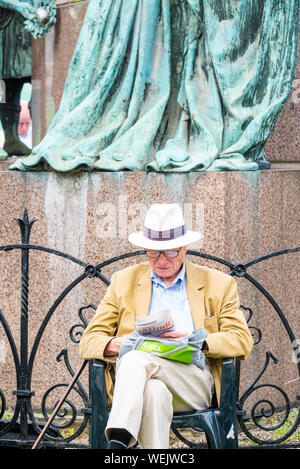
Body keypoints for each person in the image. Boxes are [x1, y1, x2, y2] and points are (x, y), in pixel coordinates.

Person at [79, 203, 253, 449]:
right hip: (139, 383)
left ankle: (117, 444)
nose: (160, 261)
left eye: (170, 252)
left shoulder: (218, 284)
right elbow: (88, 341)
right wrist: (122, 344)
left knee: (135, 358)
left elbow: (242, 340)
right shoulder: (123, 282)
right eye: (152, 252)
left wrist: (196, 340)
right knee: (153, 391)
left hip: (192, 381)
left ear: (185, 248)